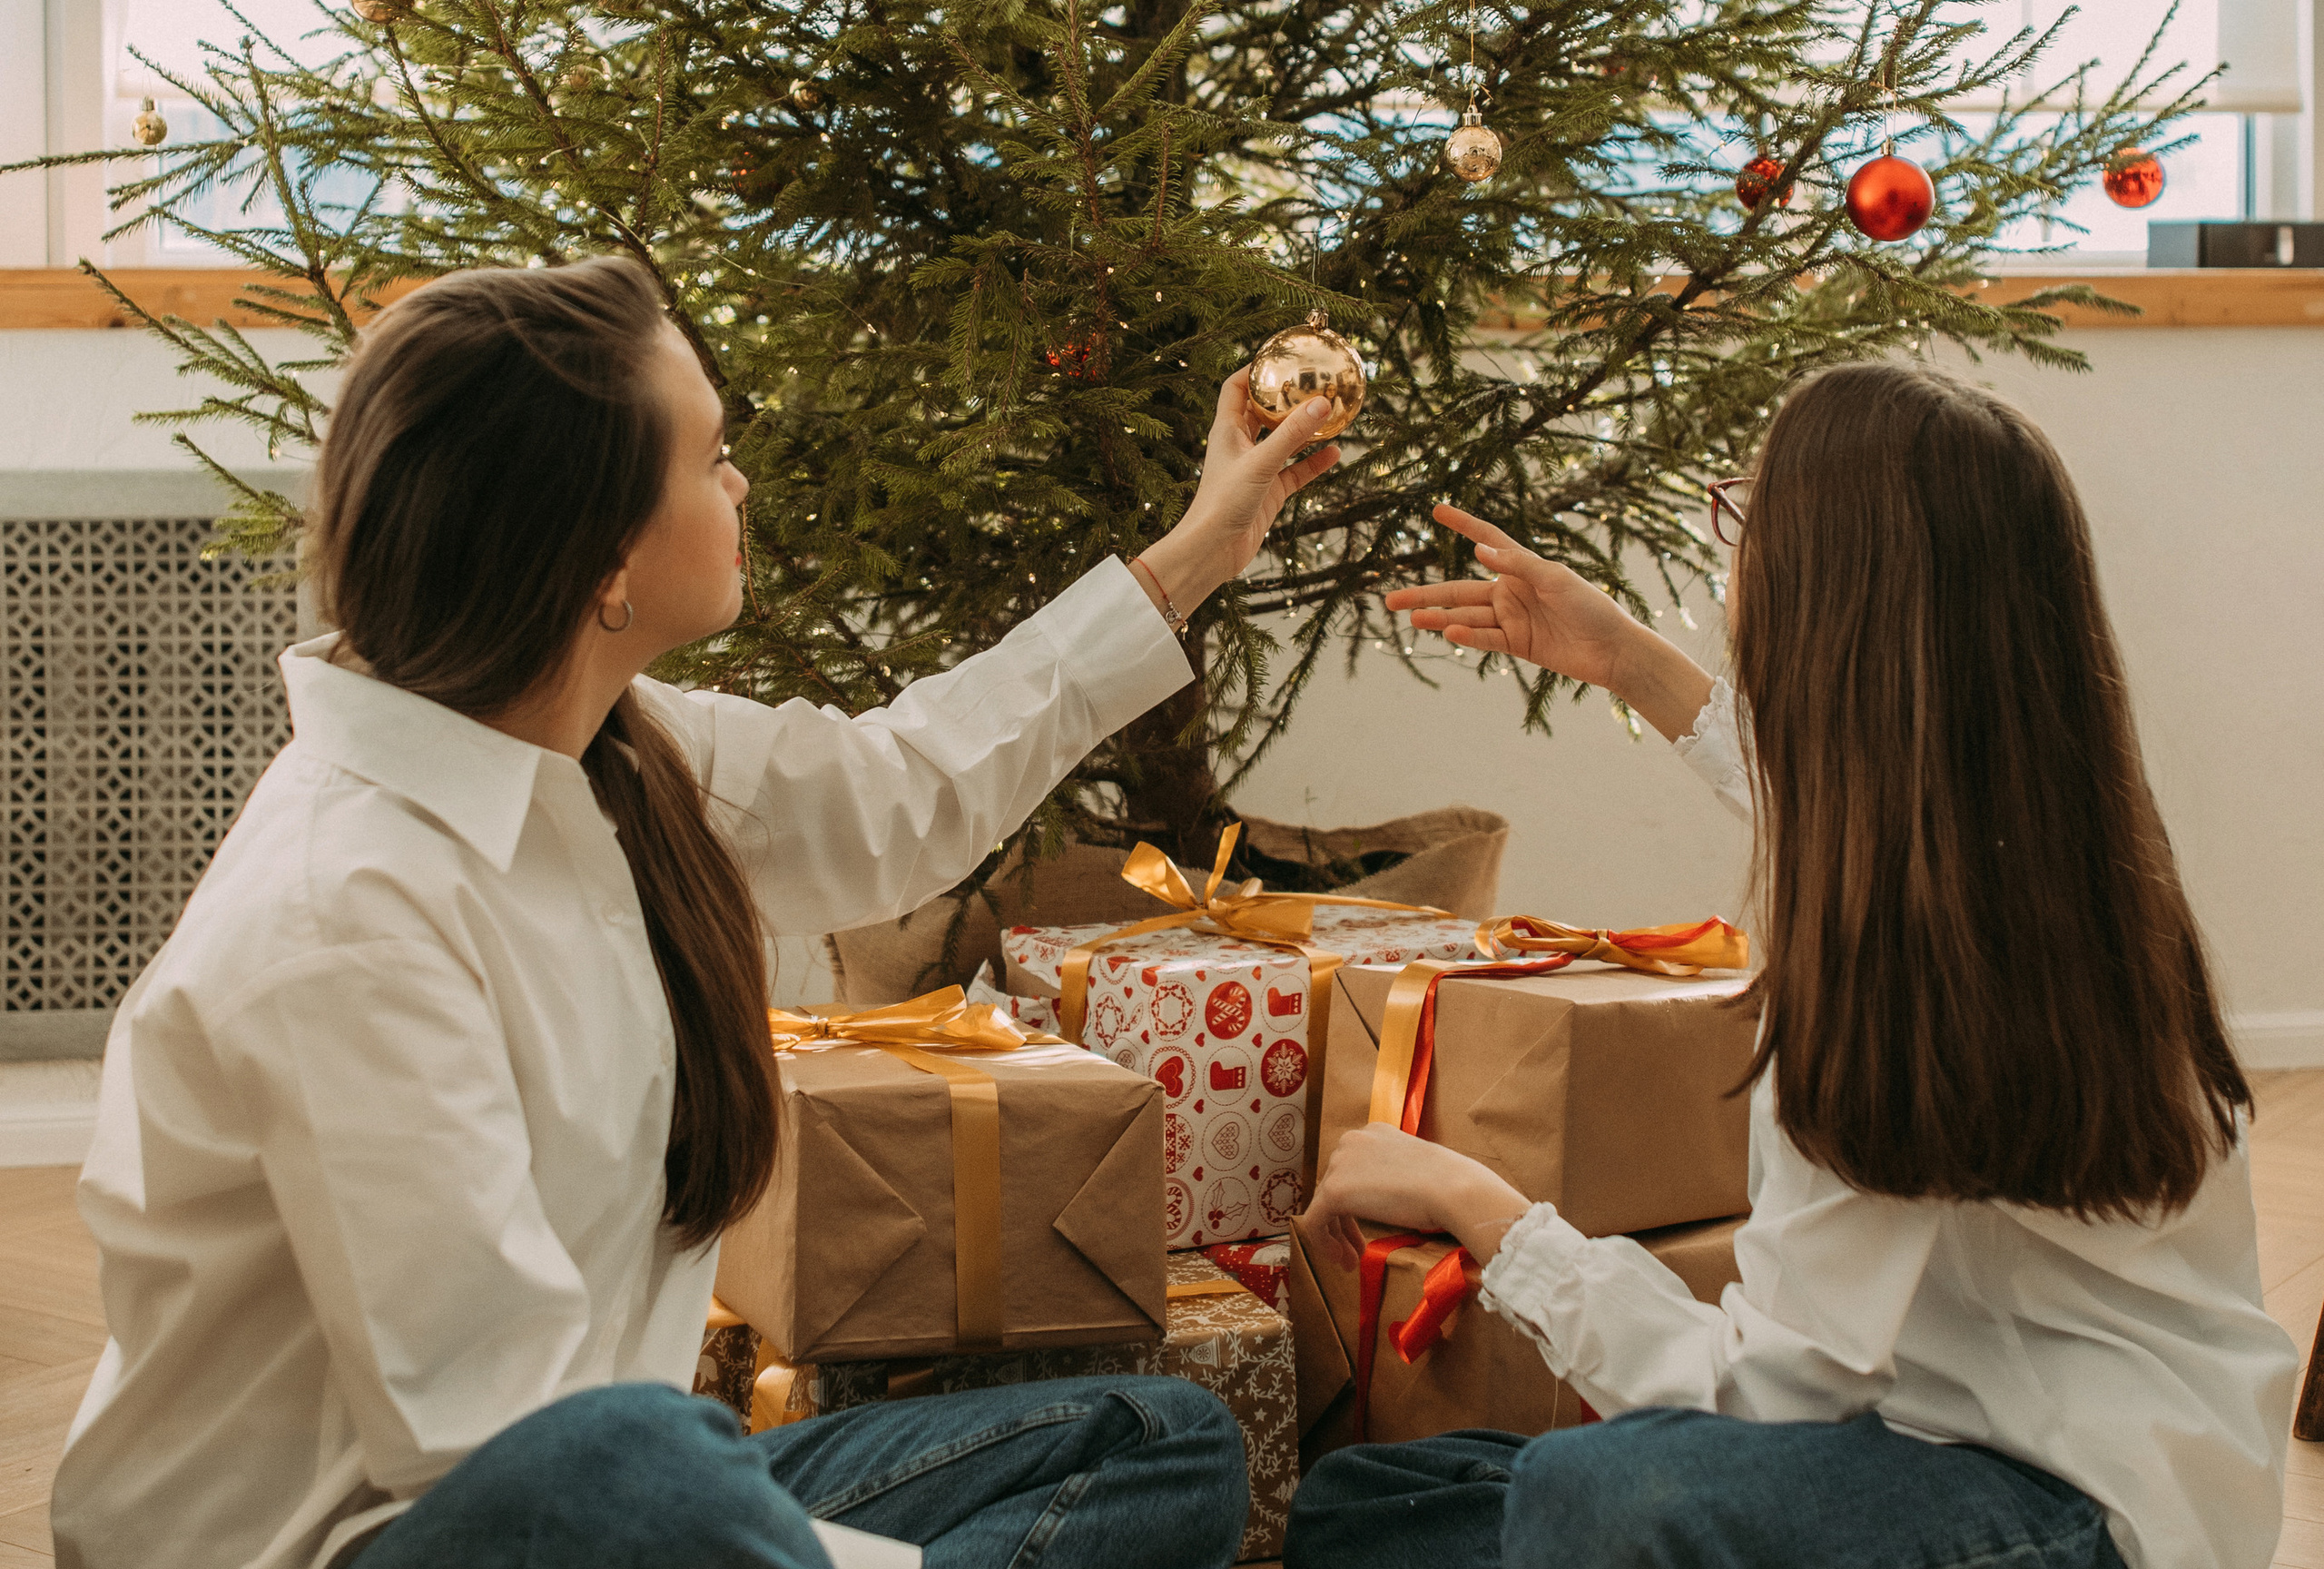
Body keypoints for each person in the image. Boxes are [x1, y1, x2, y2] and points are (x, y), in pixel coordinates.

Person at [52, 257, 1338, 1569]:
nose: (738, 487)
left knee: (1158, 1436)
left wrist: (1195, 557)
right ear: (603, 555)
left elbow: (902, 791)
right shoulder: (350, 915)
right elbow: (519, 1450)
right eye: (710, 456)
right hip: (406, 1534)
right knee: (638, 1462)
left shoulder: (607, 746)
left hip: (609, 1485)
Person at [1288, 359, 2297, 1569]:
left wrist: (1488, 1217)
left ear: (1833, 601)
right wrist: (1629, 662)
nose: (1735, 565)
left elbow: (1758, 1397)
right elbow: (1829, 788)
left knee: (1587, 1495)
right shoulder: (2037, 849)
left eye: (1742, 520)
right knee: (1376, 1508)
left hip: (2078, 1516)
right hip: (1934, 1440)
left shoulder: (1906, 970)